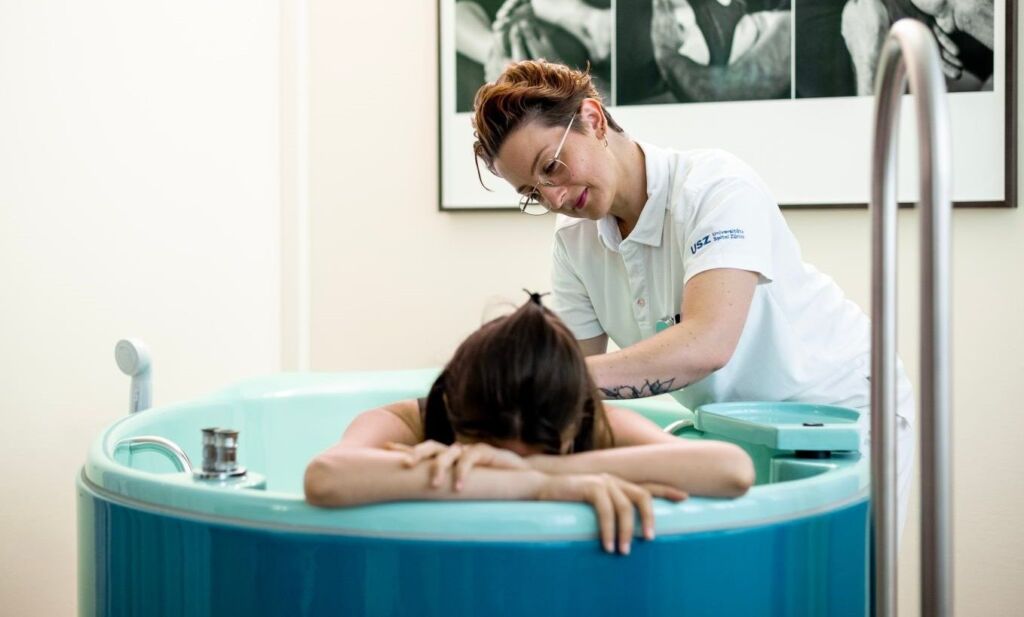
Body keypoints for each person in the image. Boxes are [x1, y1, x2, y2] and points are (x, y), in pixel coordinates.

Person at [470, 59, 917, 531]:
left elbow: (707, 343)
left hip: (843, 409)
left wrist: (546, 383)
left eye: (551, 167)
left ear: (593, 119)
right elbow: (579, 380)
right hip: (735, 425)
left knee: (831, 574)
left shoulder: (714, 188)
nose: (554, 197)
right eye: (533, 193)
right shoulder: (573, 241)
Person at [305, 295, 754, 555]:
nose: (514, 460)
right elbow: (327, 477)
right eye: (491, 448)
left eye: (543, 451)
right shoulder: (410, 420)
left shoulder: (595, 424)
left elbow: (730, 469)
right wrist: (539, 484)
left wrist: (533, 473)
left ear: (573, 422)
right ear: (454, 410)